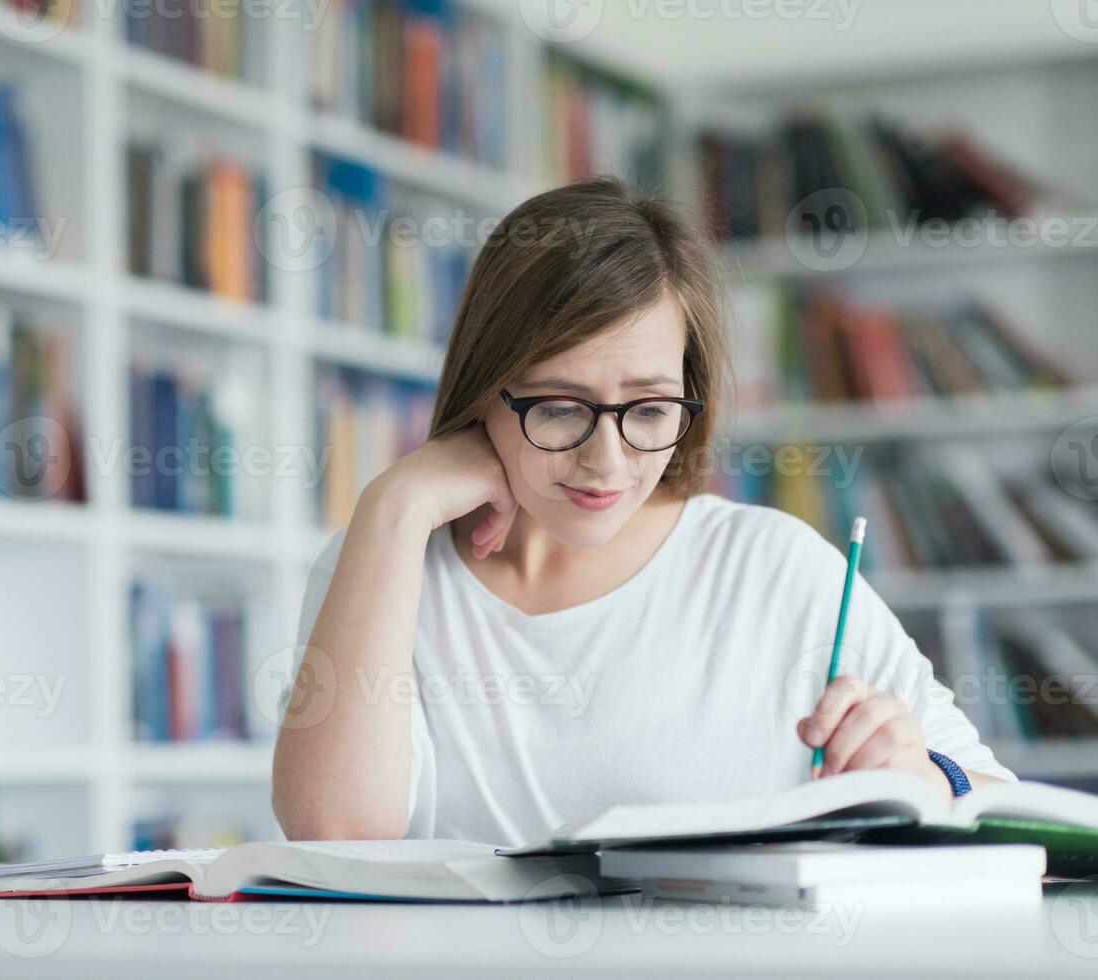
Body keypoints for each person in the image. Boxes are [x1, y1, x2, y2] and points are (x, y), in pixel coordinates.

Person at [272, 177, 1013, 846]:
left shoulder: (771, 569)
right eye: (560, 407)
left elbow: (1018, 825)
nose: (607, 459)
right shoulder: (381, 560)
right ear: (483, 388)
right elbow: (335, 832)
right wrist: (394, 505)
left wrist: (923, 779)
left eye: (650, 408)